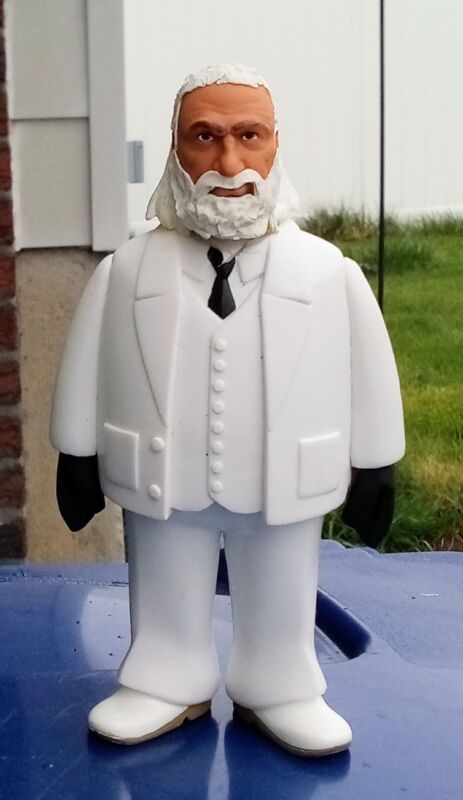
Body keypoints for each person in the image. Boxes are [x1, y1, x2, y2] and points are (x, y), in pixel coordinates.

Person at [50, 63, 405, 757]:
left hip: (284, 478)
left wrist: (375, 461)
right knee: (163, 578)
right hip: (161, 477)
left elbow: (368, 367)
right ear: (175, 148)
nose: (229, 162)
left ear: (276, 145)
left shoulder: (327, 272)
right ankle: (165, 674)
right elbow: (88, 357)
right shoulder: (127, 271)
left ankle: (279, 683)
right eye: (204, 137)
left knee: (282, 580)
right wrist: (77, 451)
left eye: (249, 136)